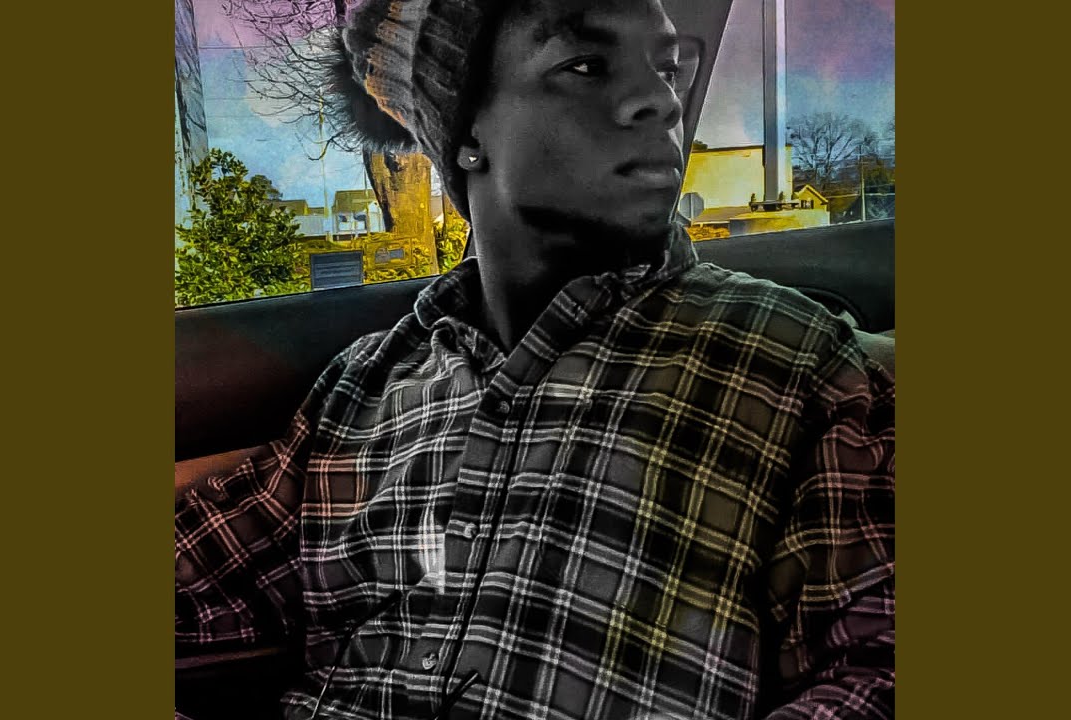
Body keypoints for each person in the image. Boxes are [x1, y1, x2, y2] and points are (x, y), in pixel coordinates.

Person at [175, 0, 895, 718]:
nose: (660, 101)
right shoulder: (364, 386)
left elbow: (880, 670)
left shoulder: (796, 364)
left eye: (667, 69)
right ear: (468, 134)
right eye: (586, 65)